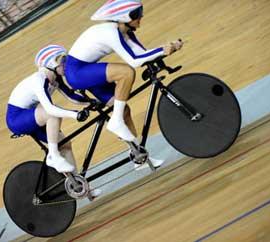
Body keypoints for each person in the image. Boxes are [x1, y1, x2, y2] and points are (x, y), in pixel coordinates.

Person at [65, 0, 183, 169]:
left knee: (124, 110)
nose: (140, 16)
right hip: (77, 73)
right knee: (126, 72)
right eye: (136, 14)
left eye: (140, 12)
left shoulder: (126, 32)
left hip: (85, 71)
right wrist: (161, 50)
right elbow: (134, 61)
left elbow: (143, 54)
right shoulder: (110, 32)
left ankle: (139, 161)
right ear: (123, 17)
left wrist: (166, 50)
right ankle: (116, 121)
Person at [6, 44, 89, 174]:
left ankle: (79, 187)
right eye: (63, 60)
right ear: (52, 63)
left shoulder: (55, 79)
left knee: (65, 145)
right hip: (17, 118)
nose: (67, 63)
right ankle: (53, 155)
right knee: (52, 115)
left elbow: (71, 96)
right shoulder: (39, 81)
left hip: (36, 116)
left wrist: (93, 101)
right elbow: (50, 110)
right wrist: (75, 114)